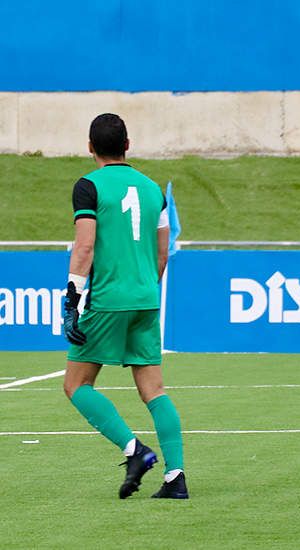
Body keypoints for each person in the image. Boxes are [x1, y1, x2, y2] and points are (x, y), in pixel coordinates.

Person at [62, 113, 187, 499]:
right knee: (155, 391)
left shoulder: (88, 187)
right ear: (128, 146)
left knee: (76, 385)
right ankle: (176, 477)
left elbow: (84, 246)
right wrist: (146, 287)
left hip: (108, 299)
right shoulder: (153, 190)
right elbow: (163, 253)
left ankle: (135, 450)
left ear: (89, 147)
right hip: (147, 299)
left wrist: (72, 297)